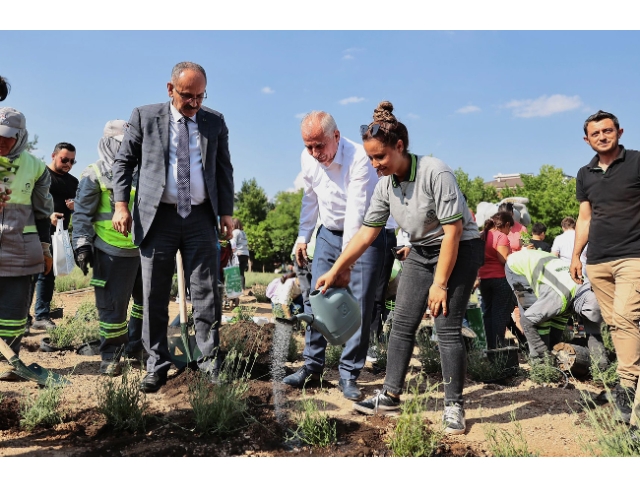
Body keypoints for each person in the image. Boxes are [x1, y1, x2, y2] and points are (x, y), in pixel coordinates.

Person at [316, 101, 483, 435]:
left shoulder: (436, 172)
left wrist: (440, 285)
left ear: (400, 147)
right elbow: (366, 233)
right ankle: (390, 394)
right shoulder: (385, 186)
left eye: (381, 157)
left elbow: (454, 232)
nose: (376, 164)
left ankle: (454, 406)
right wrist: (337, 269)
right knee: (402, 323)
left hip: (460, 248)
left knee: (446, 326)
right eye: (371, 158)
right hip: (421, 250)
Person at [112, 61, 234, 393]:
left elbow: (224, 170)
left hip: (199, 218)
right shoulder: (144, 116)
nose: (194, 103)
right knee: (153, 295)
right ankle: (157, 365)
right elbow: (124, 162)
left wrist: (226, 212)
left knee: (206, 292)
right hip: (157, 218)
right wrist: (121, 205)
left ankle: (209, 360)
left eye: (200, 95)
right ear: (170, 89)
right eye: (187, 95)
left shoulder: (214, 121)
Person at [283, 110, 386, 402]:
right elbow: (310, 198)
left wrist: (346, 263)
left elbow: (355, 212)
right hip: (327, 233)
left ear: (336, 137)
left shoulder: (358, 158)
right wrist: (303, 236)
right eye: (308, 146)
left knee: (360, 304)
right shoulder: (308, 159)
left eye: (320, 145)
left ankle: (348, 374)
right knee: (317, 296)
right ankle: (312, 366)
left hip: (364, 235)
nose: (315, 153)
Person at [571, 109, 640, 425]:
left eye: (607, 131)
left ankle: (626, 397)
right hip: (598, 262)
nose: (602, 136)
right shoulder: (585, 174)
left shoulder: (637, 162)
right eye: (595, 133)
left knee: (626, 321)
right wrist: (576, 256)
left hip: (633, 257)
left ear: (620, 132)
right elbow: (584, 218)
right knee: (620, 328)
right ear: (587, 139)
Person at [72, 120, 144, 376]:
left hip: (145, 251)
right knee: (113, 308)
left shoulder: (143, 172)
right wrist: (81, 244)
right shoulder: (95, 173)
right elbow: (81, 215)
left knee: (145, 303)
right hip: (111, 252)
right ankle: (111, 356)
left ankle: (138, 347)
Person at [0, 107, 54, 380]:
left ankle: (10, 361)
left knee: (14, 310)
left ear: (20, 136)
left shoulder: (36, 168)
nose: (2, 141)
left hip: (20, 249)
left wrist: (45, 249)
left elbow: (43, 213)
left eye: (8, 137)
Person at [507, 248, 601, 360]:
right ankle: (539, 362)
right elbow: (526, 321)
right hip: (518, 265)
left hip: (546, 262)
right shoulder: (559, 297)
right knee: (537, 318)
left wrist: (601, 363)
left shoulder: (592, 294)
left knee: (558, 317)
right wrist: (544, 353)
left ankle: (550, 355)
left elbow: (595, 334)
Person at [29, 142, 79, 331]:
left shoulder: (73, 182)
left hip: (59, 235)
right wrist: (47, 214)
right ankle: (27, 316)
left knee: (48, 274)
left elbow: (82, 206)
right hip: (35, 231)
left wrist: (76, 206)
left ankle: (41, 315)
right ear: (53, 155)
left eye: (72, 161)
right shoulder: (40, 175)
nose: (68, 164)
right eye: (64, 159)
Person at [478, 212, 513, 350]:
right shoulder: (501, 237)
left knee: (488, 312)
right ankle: (499, 345)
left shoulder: (482, 234)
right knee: (500, 313)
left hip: (484, 278)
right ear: (507, 224)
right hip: (500, 278)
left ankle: (490, 345)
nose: (509, 232)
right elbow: (503, 259)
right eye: (509, 229)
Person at [230, 218, 250, 290]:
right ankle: (243, 289)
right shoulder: (243, 233)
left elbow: (233, 242)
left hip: (238, 253)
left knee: (234, 272)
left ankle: (235, 289)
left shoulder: (235, 232)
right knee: (241, 272)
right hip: (245, 254)